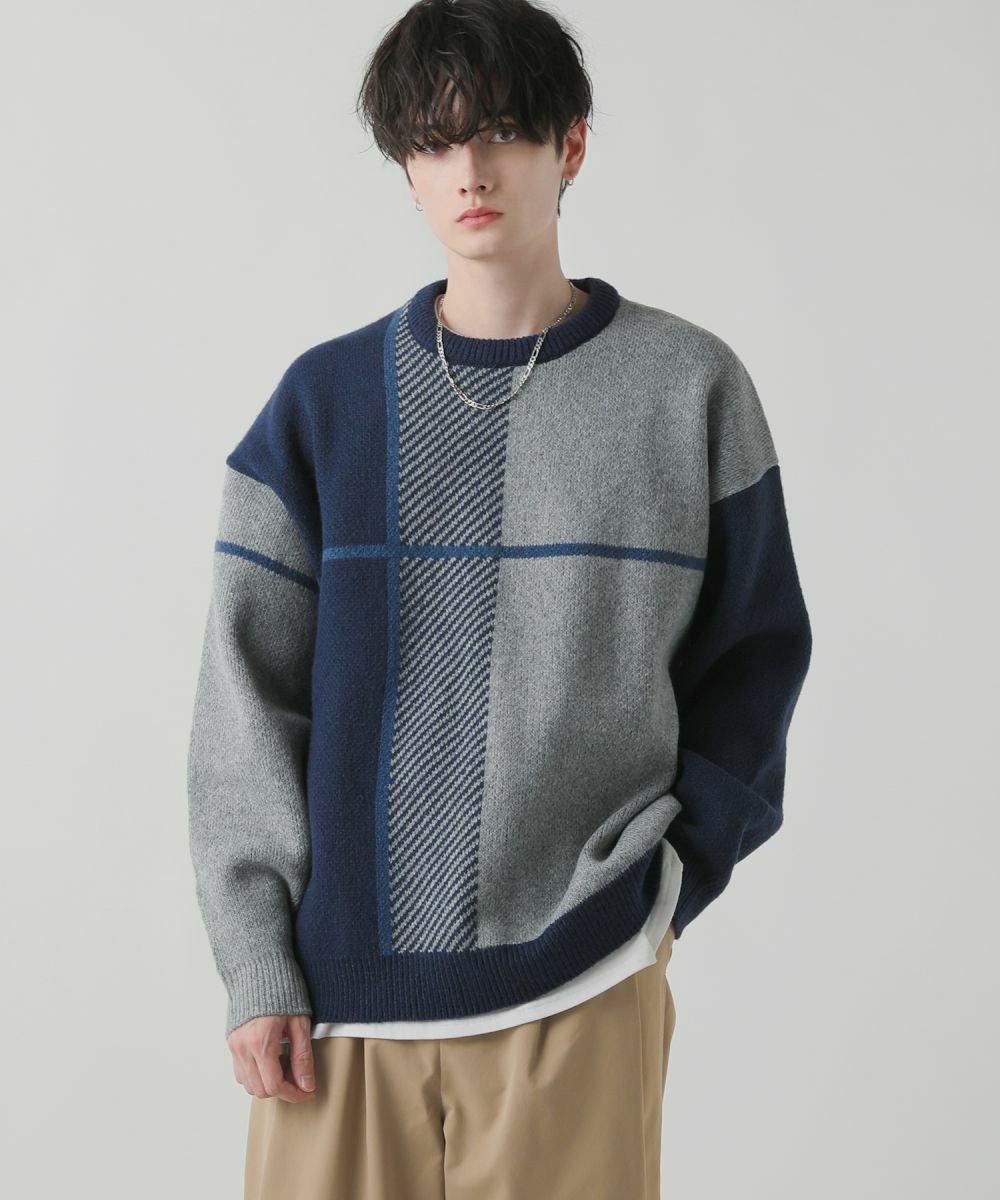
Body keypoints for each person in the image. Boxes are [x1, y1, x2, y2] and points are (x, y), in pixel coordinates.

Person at [186, 1, 813, 1196]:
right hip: (337, 1006)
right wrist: (255, 959)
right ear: (405, 169)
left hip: (582, 980)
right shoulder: (324, 405)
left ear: (568, 146)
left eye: (502, 132)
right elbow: (244, 701)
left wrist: (665, 881)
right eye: (433, 143)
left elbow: (756, 654)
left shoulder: (687, 387)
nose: (469, 171)